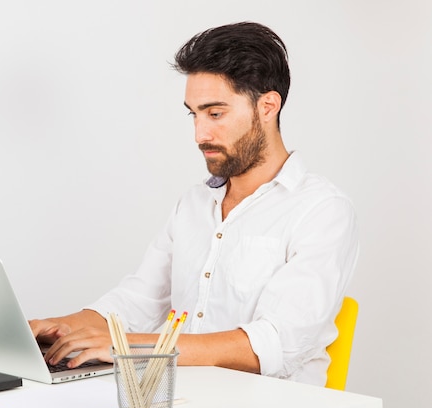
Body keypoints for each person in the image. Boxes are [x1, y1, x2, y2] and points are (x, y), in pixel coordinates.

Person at [29, 21, 358, 386]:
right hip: (185, 399)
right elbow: (138, 300)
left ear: (267, 106)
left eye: (215, 113)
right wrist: (56, 329)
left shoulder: (322, 210)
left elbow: (275, 344)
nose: (200, 134)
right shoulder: (194, 203)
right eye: (194, 114)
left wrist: (130, 346)